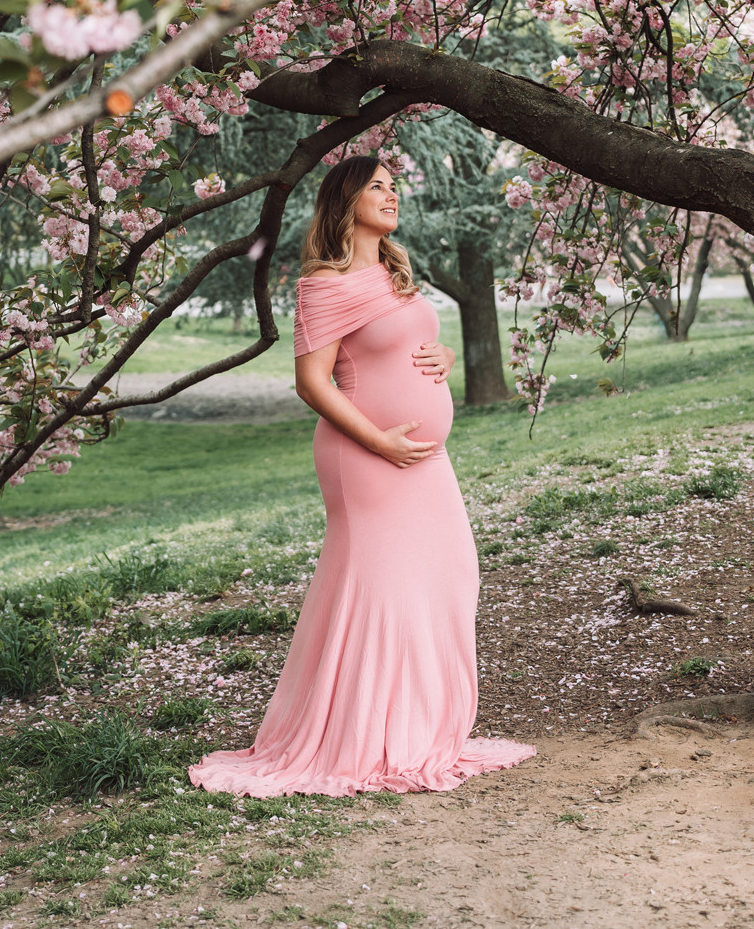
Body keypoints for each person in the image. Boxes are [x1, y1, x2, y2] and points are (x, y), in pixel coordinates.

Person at [189, 156, 535, 797]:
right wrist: (378, 439)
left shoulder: (396, 273)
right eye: (376, 186)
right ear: (345, 202)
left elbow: (409, 344)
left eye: (394, 185)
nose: (391, 194)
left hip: (424, 458)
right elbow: (310, 381)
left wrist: (446, 352)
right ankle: (367, 739)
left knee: (453, 569)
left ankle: (419, 728)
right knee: (378, 593)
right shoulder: (325, 285)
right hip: (365, 458)